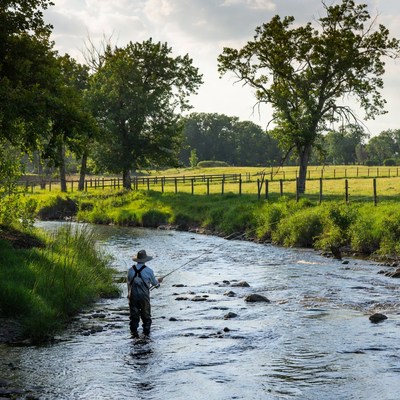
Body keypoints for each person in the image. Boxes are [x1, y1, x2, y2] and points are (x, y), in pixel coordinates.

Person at [127, 249, 163, 338]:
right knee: (146, 317)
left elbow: (128, 284)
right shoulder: (149, 271)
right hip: (144, 297)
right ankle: (146, 335)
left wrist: (129, 295)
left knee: (134, 318)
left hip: (133, 296)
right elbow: (156, 285)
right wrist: (159, 281)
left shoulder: (130, 270)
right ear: (145, 260)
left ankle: (133, 335)